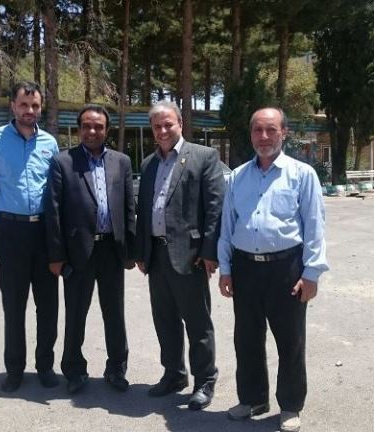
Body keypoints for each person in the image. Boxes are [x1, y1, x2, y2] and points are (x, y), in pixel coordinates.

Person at [217, 107, 328, 432]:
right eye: (257, 130)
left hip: (286, 269)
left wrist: (311, 274)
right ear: (251, 134)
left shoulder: (302, 174)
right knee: (246, 339)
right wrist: (226, 269)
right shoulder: (237, 176)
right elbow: (227, 226)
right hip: (245, 269)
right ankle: (252, 399)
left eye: (271, 130)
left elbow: (314, 226)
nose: (263, 137)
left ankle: (290, 405)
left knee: (290, 342)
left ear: (284, 133)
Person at [134, 101, 225, 411]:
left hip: (190, 256)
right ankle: (174, 374)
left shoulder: (203, 156)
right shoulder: (149, 164)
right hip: (156, 255)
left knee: (197, 323)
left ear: (180, 123)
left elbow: (215, 208)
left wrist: (209, 252)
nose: (162, 131)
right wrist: (142, 251)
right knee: (165, 320)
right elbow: (143, 210)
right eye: (156, 126)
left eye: (168, 124)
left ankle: (205, 380)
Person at [44, 104, 136, 394]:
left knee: (115, 314)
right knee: (75, 315)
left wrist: (131, 251)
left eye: (98, 126)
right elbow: (53, 212)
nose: (92, 131)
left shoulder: (121, 162)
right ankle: (74, 370)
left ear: (107, 130)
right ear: (79, 128)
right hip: (77, 252)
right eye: (86, 126)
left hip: (111, 250)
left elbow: (129, 208)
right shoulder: (63, 162)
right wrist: (56, 256)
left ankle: (117, 368)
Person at [0, 82, 60, 392]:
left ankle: (45, 366)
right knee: (14, 306)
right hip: (10, 232)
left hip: (43, 233)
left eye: (35, 106)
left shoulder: (50, 143)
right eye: (24, 105)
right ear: (12, 105)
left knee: (48, 306)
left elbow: (57, 192)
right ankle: (14, 370)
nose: (29, 111)